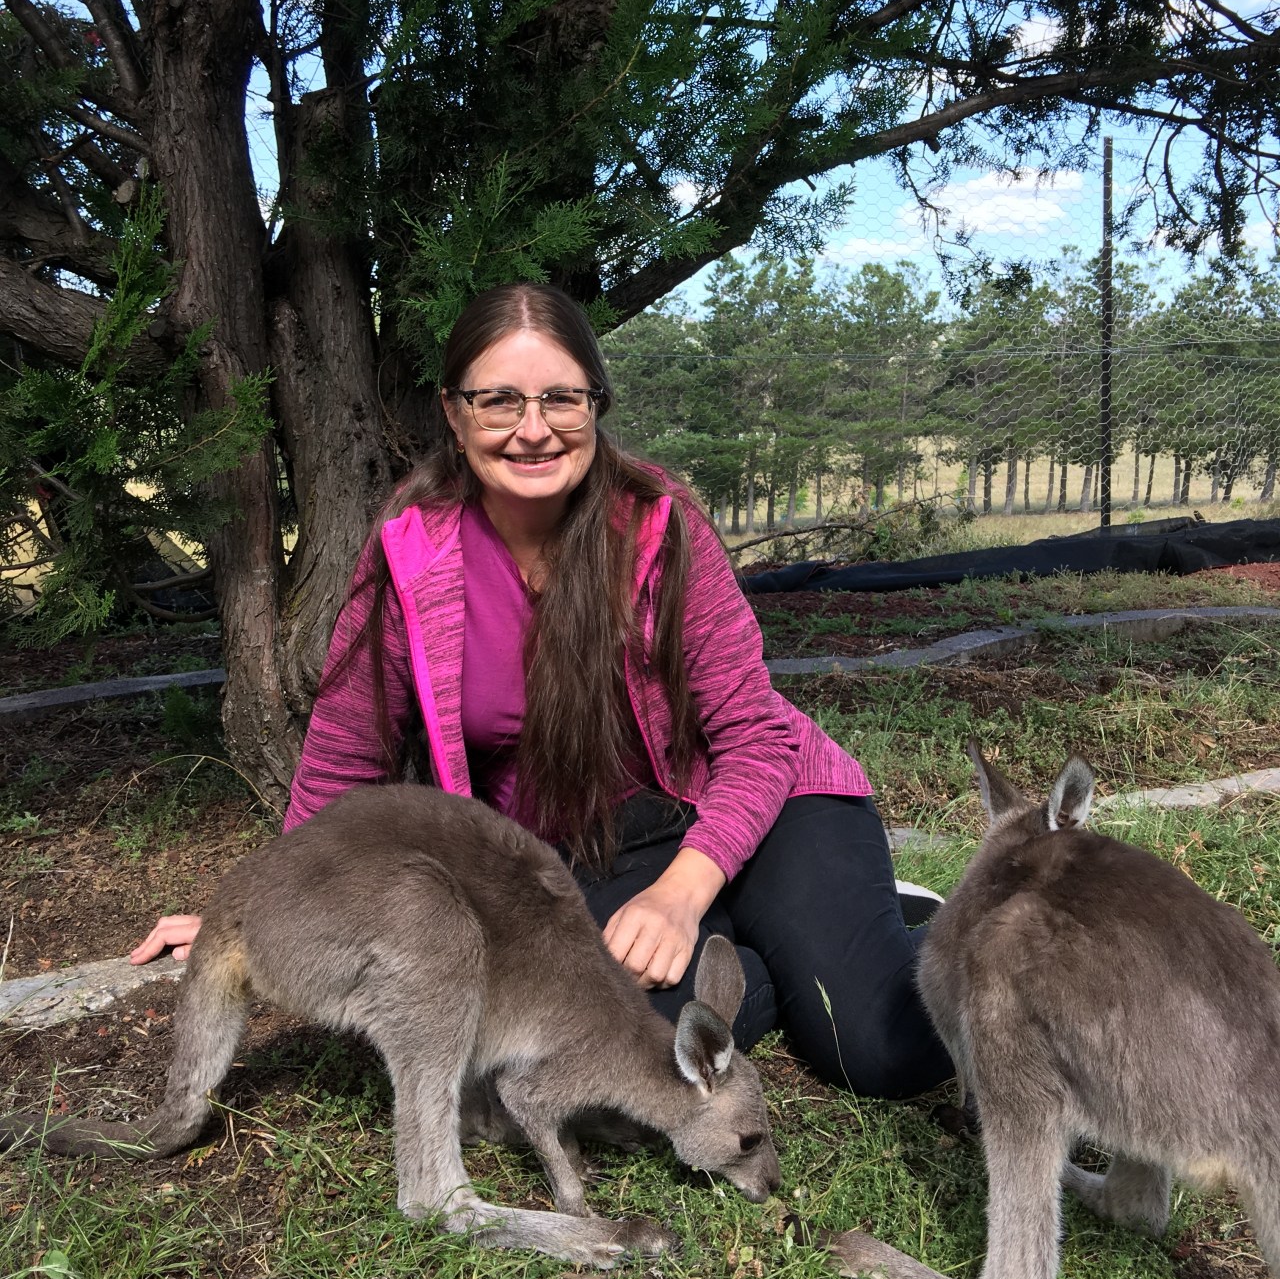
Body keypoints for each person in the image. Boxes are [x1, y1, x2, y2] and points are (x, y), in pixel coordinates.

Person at [133, 283, 951, 1097]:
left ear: (595, 404)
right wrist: (270, 908)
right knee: (610, 1051)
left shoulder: (664, 532)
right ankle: (780, 944)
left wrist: (680, 896)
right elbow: (344, 756)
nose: (533, 429)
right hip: (593, 854)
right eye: (499, 401)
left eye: (561, 398)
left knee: (885, 1051)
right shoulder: (411, 559)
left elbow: (756, 738)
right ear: (453, 415)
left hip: (765, 807)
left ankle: (860, 922)